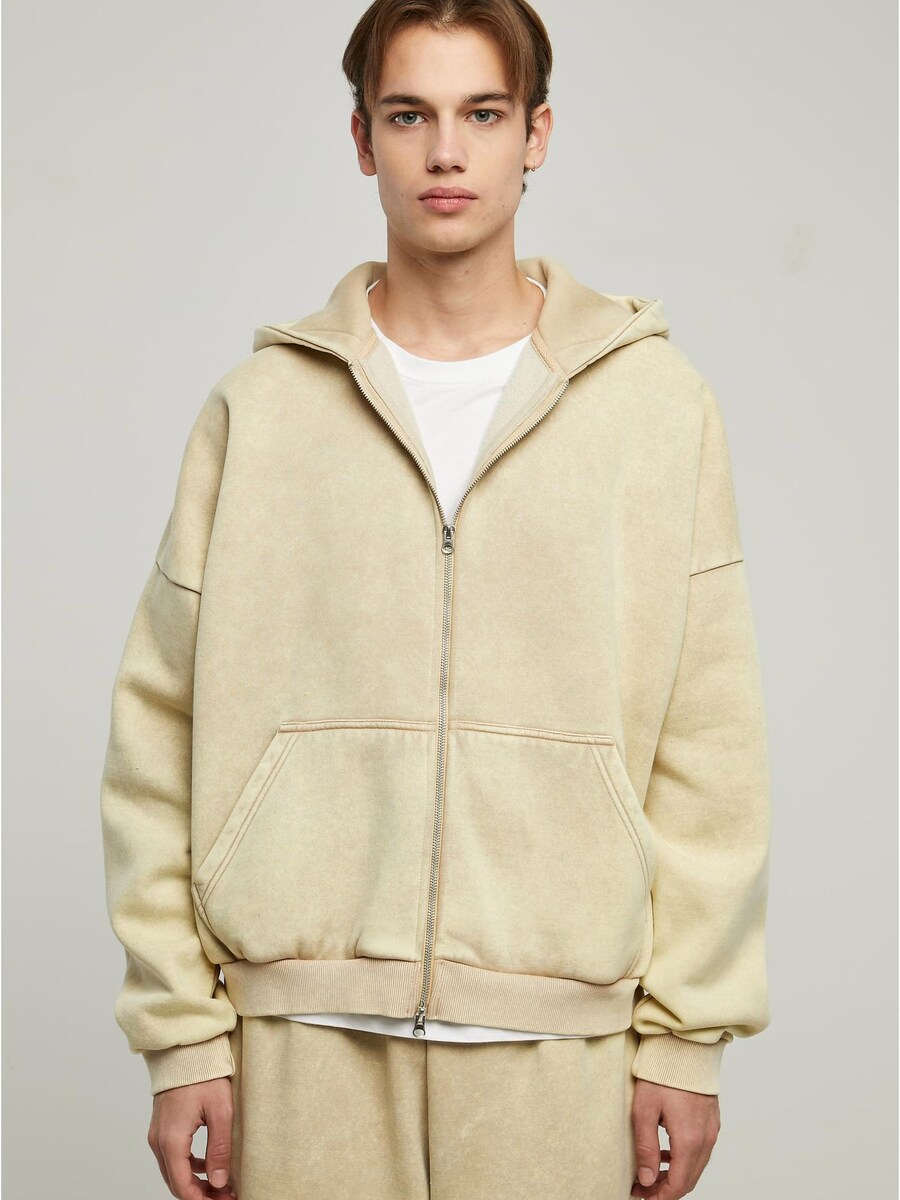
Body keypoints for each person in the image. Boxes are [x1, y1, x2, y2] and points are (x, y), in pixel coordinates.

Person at [99, 1, 772, 1197]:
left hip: (561, 1047)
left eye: (483, 114)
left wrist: (686, 1035)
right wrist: (181, 1033)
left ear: (537, 133)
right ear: (363, 140)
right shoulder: (262, 410)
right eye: (410, 116)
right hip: (299, 1042)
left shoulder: (656, 409)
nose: (446, 153)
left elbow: (709, 741)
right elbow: (159, 730)